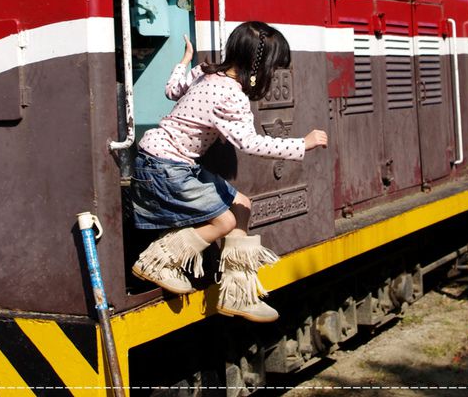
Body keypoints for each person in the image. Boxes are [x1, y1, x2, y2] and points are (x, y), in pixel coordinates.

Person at [130, 21, 328, 322]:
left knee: (242, 206)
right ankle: (159, 261)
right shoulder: (231, 96)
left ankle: (238, 295)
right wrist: (302, 144)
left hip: (167, 161)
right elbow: (248, 143)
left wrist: (184, 63)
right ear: (258, 66)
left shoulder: (205, 72)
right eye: (274, 69)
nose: (273, 76)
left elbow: (173, 90)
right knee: (224, 221)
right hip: (164, 167)